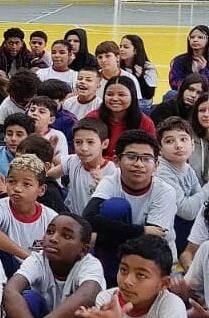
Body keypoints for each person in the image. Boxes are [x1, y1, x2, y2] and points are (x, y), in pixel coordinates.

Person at [84, 130, 178, 285]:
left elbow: (151, 241)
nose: (138, 164)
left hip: (153, 258)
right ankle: (109, 278)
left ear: (157, 164)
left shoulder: (164, 191)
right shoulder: (110, 182)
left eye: (146, 159)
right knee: (115, 207)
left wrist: (97, 239)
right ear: (116, 160)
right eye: (131, 157)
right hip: (113, 253)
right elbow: (88, 219)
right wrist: (141, 230)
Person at [0, 214, 104, 318]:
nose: (53, 238)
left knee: (81, 314)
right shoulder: (38, 259)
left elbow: (88, 296)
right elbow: (10, 291)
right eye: (50, 232)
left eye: (66, 236)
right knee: (28, 299)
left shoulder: (90, 264)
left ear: (83, 249)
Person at [76, 234, 190, 318]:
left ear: (164, 283)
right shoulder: (107, 298)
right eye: (123, 270)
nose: (127, 281)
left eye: (141, 275)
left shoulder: (171, 304)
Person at [0, 155, 58, 276]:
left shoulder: (51, 217)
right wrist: (28, 257)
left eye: (26, 184)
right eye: (12, 181)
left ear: (41, 190)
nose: (17, 188)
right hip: (7, 270)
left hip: (38, 274)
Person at [154, 117, 209, 254]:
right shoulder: (161, 172)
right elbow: (188, 211)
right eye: (169, 141)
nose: (178, 145)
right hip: (166, 233)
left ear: (192, 145)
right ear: (160, 149)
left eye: (183, 139)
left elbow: (201, 204)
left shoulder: (186, 167)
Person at [48, 117, 117, 214]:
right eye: (78, 142)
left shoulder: (111, 171)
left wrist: (102, 185)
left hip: (95, 221)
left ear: (104, 144)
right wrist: (49, 155)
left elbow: (114, 203)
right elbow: (49, 175)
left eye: (90, 142)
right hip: (72, 217)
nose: (84, 148)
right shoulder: (73, 160)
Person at [86, 76, 156, 160]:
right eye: (110, 94)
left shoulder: (144, 122)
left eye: (121, 94)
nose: (115, 98)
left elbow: (150, 154)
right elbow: (86, 151)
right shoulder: (92, 118)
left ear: (132, 96)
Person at [0, 112, 33, 199]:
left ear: (29, 137)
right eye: (9, 134)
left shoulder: (35, 157)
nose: (13, 138)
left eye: (19, 135)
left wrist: (6, 192)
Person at [119, 34, 158, 113]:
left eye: (126, 47)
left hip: (141, 103)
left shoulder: (148, 68)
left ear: (135, 51)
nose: (121, 49)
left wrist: (140, 78)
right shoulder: (118, 66)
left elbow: (149, 95)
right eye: (120, 46)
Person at [169, 25, 209, 91]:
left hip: (206, 97)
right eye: (192, 37)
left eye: (200, 37)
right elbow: (174, 84)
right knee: (170, 94)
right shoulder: (179, 60)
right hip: (184, 95)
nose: (195, 40)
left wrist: (203, 70)